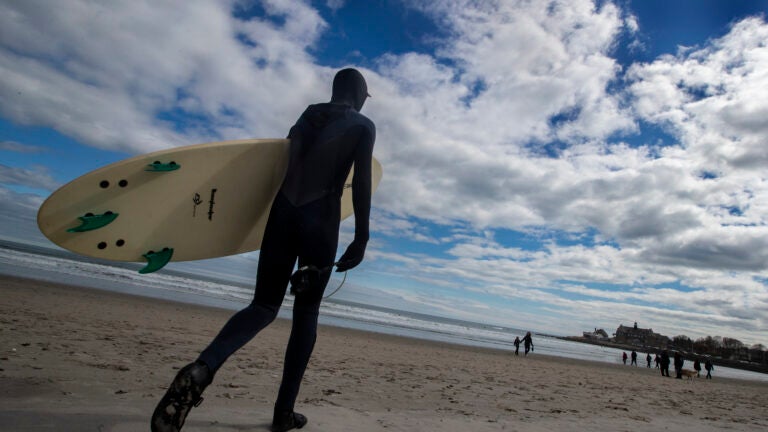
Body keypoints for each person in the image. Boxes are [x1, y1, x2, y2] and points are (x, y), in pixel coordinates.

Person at [151, 68, 376, 432]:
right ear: (361, 94)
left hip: (282, 214)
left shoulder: (306, 114)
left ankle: (202, 368)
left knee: (263, 305)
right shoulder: (363, 126)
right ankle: (283, 413)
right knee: (306, 314)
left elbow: (277, 165)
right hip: (320, 220)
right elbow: (361, 182)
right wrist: (362, 236)